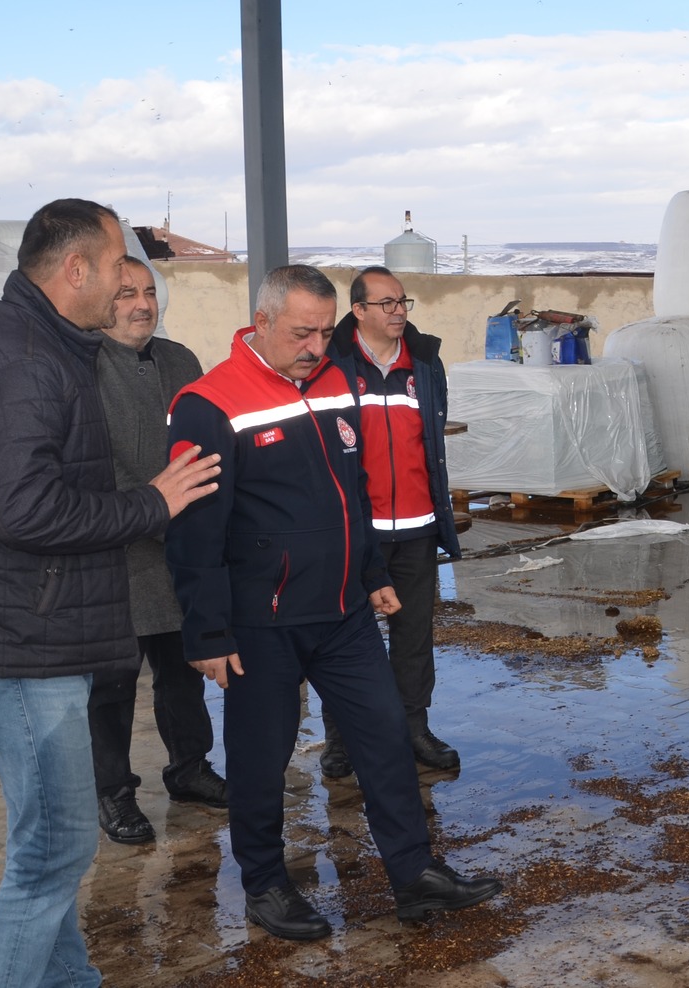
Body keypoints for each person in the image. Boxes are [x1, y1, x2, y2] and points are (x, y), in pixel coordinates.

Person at [0, 198, 221, 988]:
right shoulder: (24, 362)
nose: (129, 283)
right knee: (51, 854)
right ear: (75, 270)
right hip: (12, 647)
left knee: (56, 850)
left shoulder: (45, 344)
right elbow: (28, 509)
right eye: (119, 266)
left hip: (21, 634)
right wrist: (156, 500)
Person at [165, 264, 502, 941]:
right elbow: (193, 533)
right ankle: (265, 883)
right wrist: (206, 634)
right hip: (263, 621)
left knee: (383, 739)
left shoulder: (337, 382)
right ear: (260, 323)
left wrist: (372, 569)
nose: (317, 346)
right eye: (301, 333)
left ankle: (414, 875)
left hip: (344, 611)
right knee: (262, 759)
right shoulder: (209, 403)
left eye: (325, 331)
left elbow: (354, 492)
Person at [87, 256, 227, 844]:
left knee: (182, 672)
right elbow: (91, 462)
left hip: (180, 549)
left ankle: (189, 768)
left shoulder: (181, 361)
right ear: (102, 301)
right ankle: (114, 792)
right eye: (125, 294)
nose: (141, 304)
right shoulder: (82, 366)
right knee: (114, 684)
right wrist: (153, 508)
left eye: (148, 292)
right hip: (117, 550)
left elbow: (206, 443)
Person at [321, 265, 460, 781]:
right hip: (355, 531)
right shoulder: (333, 363)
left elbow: (432, 440)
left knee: (413, 635)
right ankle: (341, 737)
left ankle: (413, 727)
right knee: (344, 636)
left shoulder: (424, 361)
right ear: (358, 311)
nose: (400, 311)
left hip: (418, 526)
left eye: (403, 302)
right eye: (388, 303)